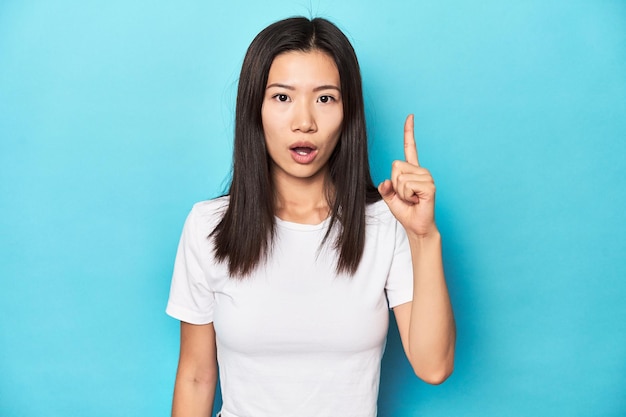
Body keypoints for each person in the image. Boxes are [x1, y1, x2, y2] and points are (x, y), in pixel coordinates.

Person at [166, 16, 455, 417]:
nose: (305, 122)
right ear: (256, 109)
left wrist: (425, 237)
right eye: (283, 97)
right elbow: (196, 376)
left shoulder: (387, 223)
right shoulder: (208, 226)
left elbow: (434, 365)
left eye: (325, 98)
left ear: (347, 113)